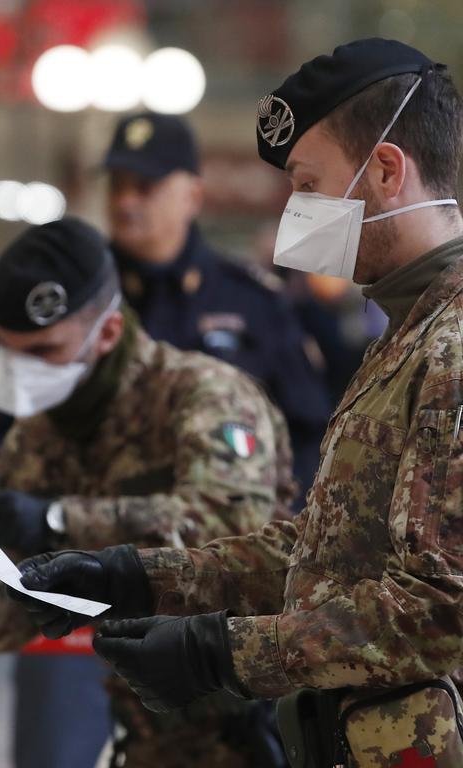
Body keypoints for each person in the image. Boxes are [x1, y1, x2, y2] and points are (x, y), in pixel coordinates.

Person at [13, 39, 463, 766]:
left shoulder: (452, 346)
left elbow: (443, 609)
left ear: (385, 170)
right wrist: (136, 575)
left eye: (308, 183)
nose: (295, 215)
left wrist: (222, 653)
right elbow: (327, 547)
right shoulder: (406, 334)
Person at [0, 217, 295, 767]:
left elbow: (232, 531)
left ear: (108, 333)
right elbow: (22, 617)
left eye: (44, 350)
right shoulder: (39, 433)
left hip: (251, 719)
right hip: (146, 730)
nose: (23, 371)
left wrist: (56, 521)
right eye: (9, 353)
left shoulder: (203, 394)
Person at [104, 111, 329, 499]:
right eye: (117, 186)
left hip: (226, 533)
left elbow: (308, 432)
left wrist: (279, 525)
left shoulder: (252, 301)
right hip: (98, 532)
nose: (126, 202)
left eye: (144, 186)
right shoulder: (82, 298)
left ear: (193, 195)